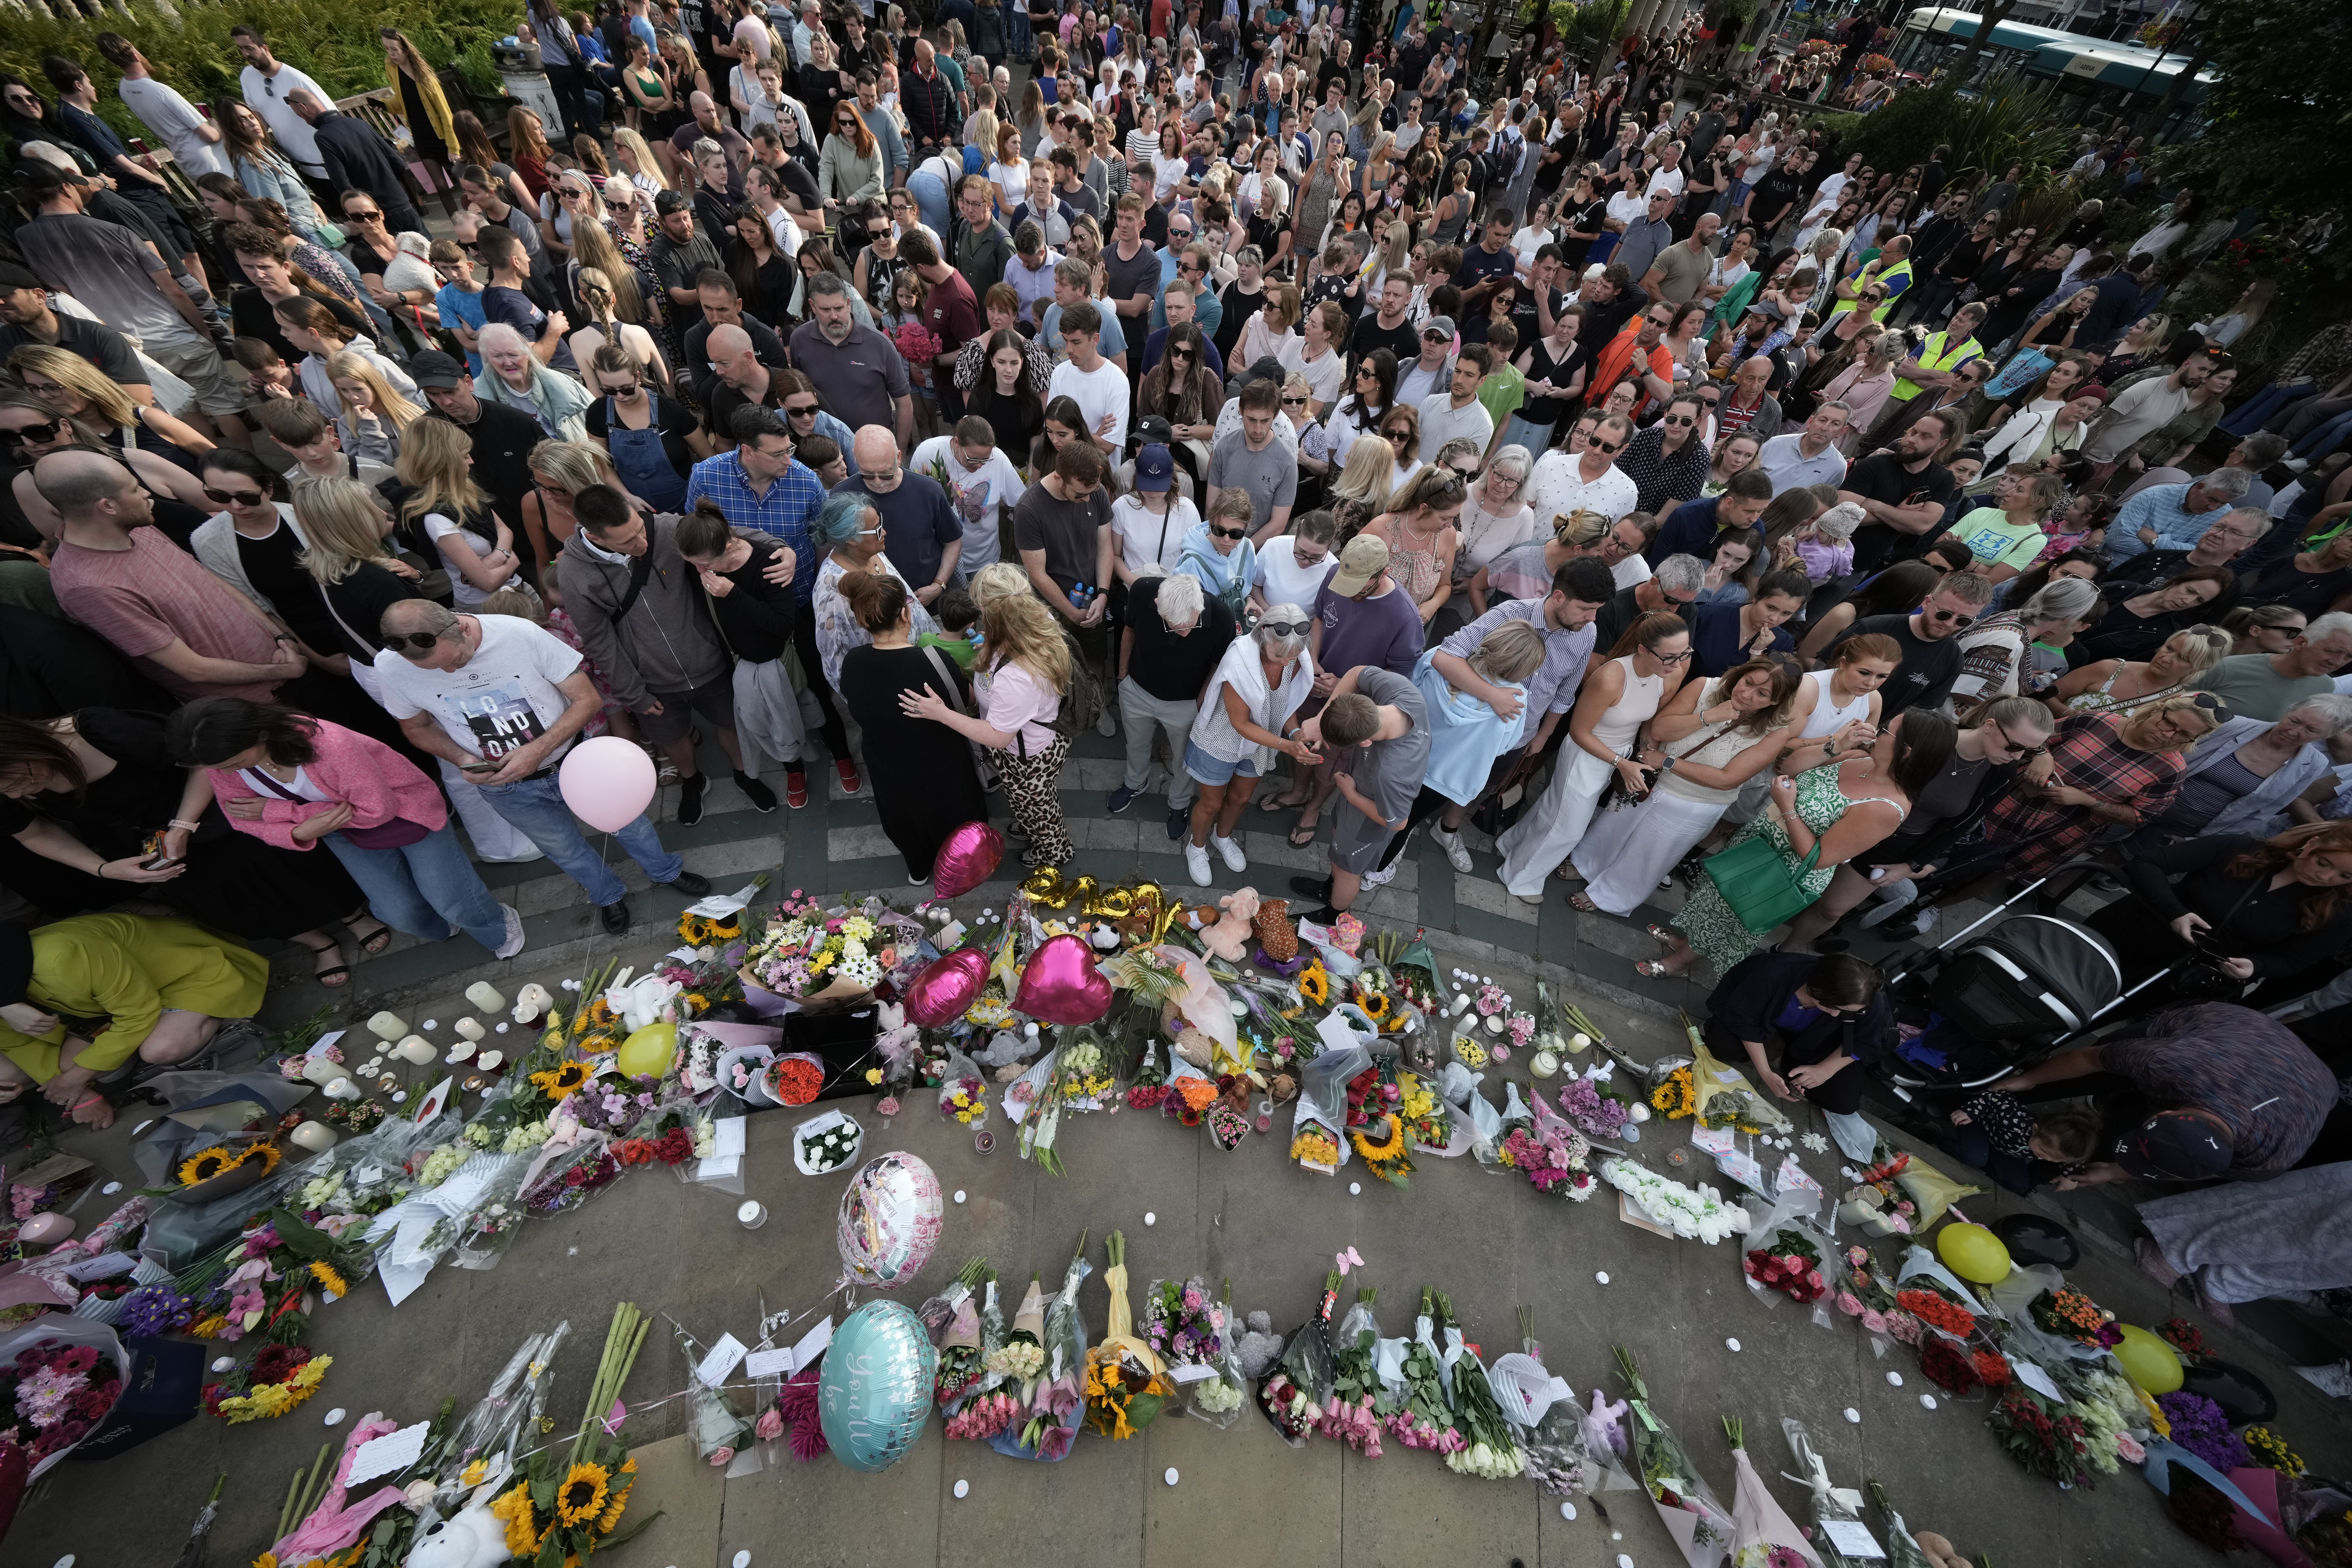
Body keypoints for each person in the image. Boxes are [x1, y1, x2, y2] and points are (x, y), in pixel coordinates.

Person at [373, 599, 711, 935]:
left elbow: (588, 699)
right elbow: (416, 727)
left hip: (576, 761)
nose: (449, 673)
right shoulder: (390, 667)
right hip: (505, 787)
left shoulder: (518, 634)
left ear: (461, 627)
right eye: (433, 671)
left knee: (628, 824)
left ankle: (665, 871)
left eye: (455, 661)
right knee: (563, 848)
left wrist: (538, 750)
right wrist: (461, 758)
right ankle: (607, 895)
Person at [166, 699, 523, 961]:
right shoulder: (221, 762)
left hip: (407, 815)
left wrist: (285, 813)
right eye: (218, 769)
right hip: (337, 830)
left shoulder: (329, 745)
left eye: (234, 764)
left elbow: (378, 810)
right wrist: (301, 831)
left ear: (259, 735)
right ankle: (444, 927)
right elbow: (242, 819)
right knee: (398, 913)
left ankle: (496, 925)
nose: (227, 775)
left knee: (453, 901)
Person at [1648, 713, 1954, 978]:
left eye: (1887, 731)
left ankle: (1677, 964)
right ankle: (1686, 944)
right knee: (1713, 900)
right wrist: (1835, 745)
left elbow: (1818, 858)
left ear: (1907, 752)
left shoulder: (1887, 806)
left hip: (1782, 869)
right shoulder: (1859, 759)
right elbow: (1790, 768)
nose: (1877, 732)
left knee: (1730, 915)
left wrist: (1787, 807)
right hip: (1756, 846)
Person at [562, 485, 778, 822]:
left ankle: (744, 775)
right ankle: (693, 782)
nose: (643, 543)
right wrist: (633, 693)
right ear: (595, 537)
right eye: (628, 542)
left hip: (710, 662)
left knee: (730, 723)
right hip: (652, 683)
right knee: (673, 738)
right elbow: (598, 639)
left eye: (639, 529)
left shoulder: (663, 528)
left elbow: (726, 534)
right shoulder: (575, 573)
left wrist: (780, 549)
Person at [1783, 695, 2055, 948]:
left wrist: (1914, 864)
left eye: (2030, 752)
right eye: (2015, 746)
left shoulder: (2002, 772)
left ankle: (1787, 951)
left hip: (1899, 842)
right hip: (1852, 817)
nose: (2018, 757)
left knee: (1831, 909)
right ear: (1990, 726)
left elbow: (1963, 824)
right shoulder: (1932, 736)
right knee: (1793, 883)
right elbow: (1870, 764)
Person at [1995, 1002, 2333, 1187]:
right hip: (2232, 1028)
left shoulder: (2270, 1160)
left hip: (2317, 1086)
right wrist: (2028, 1080)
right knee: (2102, 1067)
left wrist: (2113, 1173)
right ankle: (2007, 1097)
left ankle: (2058, 1166)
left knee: (2114, 1136)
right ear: (2165, 1114)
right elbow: (2089, 1059)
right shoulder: (2166, 1061)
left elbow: (2191, 1166)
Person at [1570, 656, 1802, 915]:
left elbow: (1728, 779)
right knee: (1614, 826)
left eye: (1762, 694)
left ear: (1776, 701)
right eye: (1748, 682)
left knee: (1650, 855)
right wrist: (1710, 716)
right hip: (1653, 782)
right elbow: (1659, 730)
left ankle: (1612, 897)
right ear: (1742, 673)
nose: (1747, 694)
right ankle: (1586, 863)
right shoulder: (1706, 687)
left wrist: (1668, 761)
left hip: (1695, 803)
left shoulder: (1776, 732)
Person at [0, 914, 268, 1127]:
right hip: (113, 1005)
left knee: (161, 1049)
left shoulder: (62, 958)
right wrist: (83, 1097)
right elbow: (18, 1046)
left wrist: (77, 1077)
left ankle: (217, 1013)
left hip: (185, 976)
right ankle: (136, 1045)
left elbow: (139, 1012)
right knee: (72, 1065)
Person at [1497, 610, 1689, 904]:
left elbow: (1646, 719)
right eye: (1669, 657)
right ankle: (1520, 877)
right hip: (1586, 755)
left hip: (1620, 757)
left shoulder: (1669, 675)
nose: (1678, 664)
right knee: (1569, 828)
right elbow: (1579, 732)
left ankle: (1510, 844)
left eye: (1684, 654)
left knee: (1556, 808)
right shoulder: (1611, 678)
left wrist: (1644, 753)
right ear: (1642, 649)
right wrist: (1621, 763)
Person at [899, 588, 1074, 868]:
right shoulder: (1028, 641)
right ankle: (1030, 827)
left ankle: (1054, 852)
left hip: (1028, 757)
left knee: (1041, 808)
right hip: (1023, 750)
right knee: (1024, 801)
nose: (981, 628)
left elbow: (998, 737)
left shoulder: (1018, 677)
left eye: (990, 626)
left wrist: (941, 714)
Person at [833, 566, 988, 881]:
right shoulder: (934, 662)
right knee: (952, 815)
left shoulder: (853, 663)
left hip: (887, 764)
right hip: (939, 762)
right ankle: (962, 867)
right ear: (906, 615)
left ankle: (919, 868)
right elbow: (972, 702)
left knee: (903, 818)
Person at [1982, 696, 2227, 880]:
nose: (2168, 735)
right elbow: (2036, 738)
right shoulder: (2096, 722)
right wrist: (2042, 755)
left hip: (2057, 833)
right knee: (1957, 848)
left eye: (2183, 735)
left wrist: (2087, 801)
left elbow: (2139, 818)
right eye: (2168, 723)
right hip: (2006, 803)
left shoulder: (2171, 770)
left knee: (1993, 874)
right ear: (2158, 709)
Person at [1181, 604, 1319, 886]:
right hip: (1221, 740)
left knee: (1241, 799)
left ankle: (1222, 837)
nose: (1286, 662)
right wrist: (1286, 746)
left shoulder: (1291, 654)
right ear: (1265, 635)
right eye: (1280, 655)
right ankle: (1196, 848)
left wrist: (1295, 736)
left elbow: (1284, 703)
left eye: (1292, 657)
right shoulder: (1240, 661)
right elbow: (1241, 724)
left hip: (1263, 741)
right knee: (1211, 803)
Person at [1287, 662, 1431, 923]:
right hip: (1356, 794)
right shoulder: (1401, 694)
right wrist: (1322, 720)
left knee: (1346, 869)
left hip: (1368, 820)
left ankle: (1333, 915)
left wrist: (1351, 794)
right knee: (1337, 852)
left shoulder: (1394, 772)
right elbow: (1355, 673)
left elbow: (1398, 822)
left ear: (1364, 743)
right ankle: (1330, 889)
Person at [2129, 697, 2352, 847]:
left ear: (2330, 735)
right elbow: (2170, 756)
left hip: (2184, 834)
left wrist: (2203, 842)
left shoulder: (2312, 764)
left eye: (2310, 730)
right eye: (2295, 721)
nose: (2294, 732)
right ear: (2290, 711)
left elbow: (2263, 812)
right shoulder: (2235, 726)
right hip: (2140, 806)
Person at [1702, 950, 1891, 1127]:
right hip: (1755, 1016)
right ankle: (1770, 1041)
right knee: (1723, 1048)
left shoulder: (1867, 997)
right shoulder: (1775, 971)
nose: (1835, 1015)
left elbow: (1865, 1040)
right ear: (1814, 987)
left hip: (1816, 1037)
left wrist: (1826, 1069)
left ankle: (1781, 1047)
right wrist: (1766, 1073)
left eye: (1847, 1012)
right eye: (1831, 1006)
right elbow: (1745, 1020)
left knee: (1843, 1103)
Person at [1111, 569, 1234, 836]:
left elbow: (1218, 666)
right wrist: (1123, 676)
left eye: (1191, 624)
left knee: (1184, 760)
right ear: (1158, 604)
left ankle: (1179, 804)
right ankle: (1135, 782)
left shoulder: (1222, 617)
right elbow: (1128, 632)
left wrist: (1201, 703)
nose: (1185, 633)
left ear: (1200, 604)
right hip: (1137, 691)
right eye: (1176, 626)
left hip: (1187, 703)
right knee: (1136, 744)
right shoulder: (1143, 591)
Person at [1825, 571, 1995, 718]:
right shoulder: (1871, 627)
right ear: (1927, 602)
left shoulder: (1953, 660)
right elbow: (1822, 670)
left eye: (1963, 620)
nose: (1950, 624)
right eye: (1944, 614)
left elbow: (1920, 712)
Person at [2055, 623, 2233, 720]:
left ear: (2199, 668)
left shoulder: (2176, 703)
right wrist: (2065, 713)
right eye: (2169, 648)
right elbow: (2044, 695)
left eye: (2183, 658)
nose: (2167, 658)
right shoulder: (2110, 669)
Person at [2192, 614, 2352, 721]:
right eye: (2332, 651)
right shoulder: (2226, 668)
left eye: (2349, 657)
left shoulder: (2325, 688)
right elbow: (2171, 704)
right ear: (2300, 643)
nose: (2338, 662)